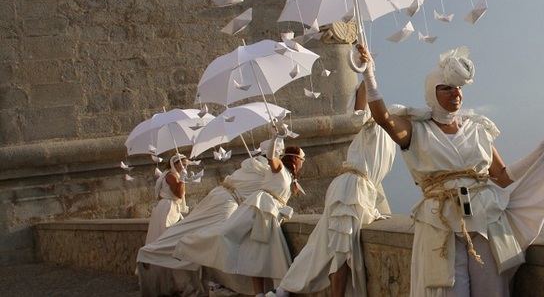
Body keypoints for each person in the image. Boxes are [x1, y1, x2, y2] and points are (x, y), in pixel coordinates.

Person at [357, 44, 544, 297]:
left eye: (457, 87)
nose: (455, 93)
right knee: (448, 291)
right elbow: (384, 119)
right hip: (440, 223)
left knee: (491, 289)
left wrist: (539, 153)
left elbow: (501, 177)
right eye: (446, 88)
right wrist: (369, 75)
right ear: (431, 92)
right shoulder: (417, 130)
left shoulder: (477, 128)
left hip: (485, 218)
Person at [268, 81, 396, 297]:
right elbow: (362, 101)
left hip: (354, 188)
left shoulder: (389, 129)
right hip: (350, 188)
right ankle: (286, 290)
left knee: (321, 246)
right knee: (339, 250)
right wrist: (368, 73)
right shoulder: (369, 124)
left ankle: (283, 290)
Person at [137, 139, 291, 296]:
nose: (184, 165)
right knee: (218, 238)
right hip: (227, 203)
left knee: (189, 227)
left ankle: (152, 251)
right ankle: (156, 252)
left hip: (217, 193)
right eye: (181, 163)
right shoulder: (266, 169)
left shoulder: (252, 164)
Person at [173, 144, 306, 297]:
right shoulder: (279, 167)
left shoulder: (290, 177)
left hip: (271, 212)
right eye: (302, 159)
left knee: (257, 253)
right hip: (261, 208)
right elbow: (270, 157)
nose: (303, 162)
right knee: (226, 234)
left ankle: (262, 294)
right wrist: (275, 136)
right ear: (295, 159)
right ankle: (187, 244)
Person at [145, 153, 189, 244]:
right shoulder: (171, 176)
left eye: (186, 165)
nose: (185, 167)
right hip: (168, 208)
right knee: (167, 234)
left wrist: (181, 178)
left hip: (168, 206)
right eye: (183, 164)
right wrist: (182, 179)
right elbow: (179, 194)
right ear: (175, 164)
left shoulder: (174, 175)